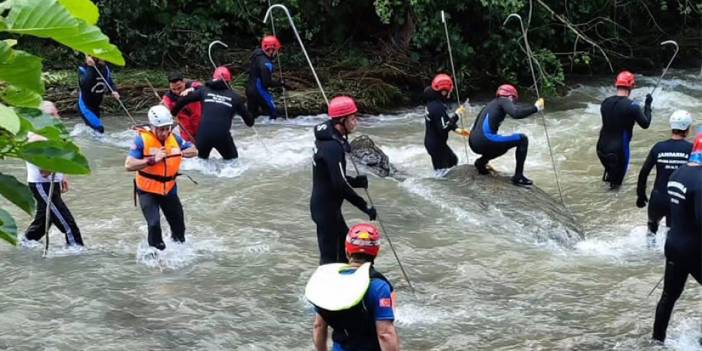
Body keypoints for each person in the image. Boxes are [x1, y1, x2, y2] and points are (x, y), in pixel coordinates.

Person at [308, 223, 400, 351]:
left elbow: (319, 326)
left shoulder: (329, 281)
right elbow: (385, 334)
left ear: (347, 251)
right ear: (376, 252)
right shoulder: (379, 286)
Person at [311, 96, 377, 264]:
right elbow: (339, 185)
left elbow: (334, 177)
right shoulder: (332, 147)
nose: (355, 122)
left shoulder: (329, 139)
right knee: (329, 258)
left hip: (329, 207)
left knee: (345, 248)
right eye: (352, 118)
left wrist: (355, 181)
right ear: (341, 120)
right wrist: (365, 206)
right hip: (326, 210)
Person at [652, 129, 702, 343]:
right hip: (694, 248)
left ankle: (656, 340)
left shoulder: (678, 173)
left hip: (673, 244)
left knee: (668, 296)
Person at [125, 105, 198, 250]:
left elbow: (194, 150)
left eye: (167, 128)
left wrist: (179, 153)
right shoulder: (141, 140)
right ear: (152, 127)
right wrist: (152, 160)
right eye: (161, 129)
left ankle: (179, 253)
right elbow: (128, 164)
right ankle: (156, 256)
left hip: (169, 188)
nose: (165, 133)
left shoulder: (174, 138)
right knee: (154, 224)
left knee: (179, 227)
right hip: (147, 190)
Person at [23, 101, 84, 247]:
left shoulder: (53, 133)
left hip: (51, 183)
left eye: (56, 113)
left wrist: (63, 176)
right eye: (51, 115)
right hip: (42, 186)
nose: (57, 117)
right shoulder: (37, 138)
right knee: (68, 224)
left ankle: (25, 243)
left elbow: (56, 164)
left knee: (44, 222)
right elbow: (44, 171)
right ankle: (77, 251)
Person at [468, 84, 544, 186]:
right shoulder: (504, 100)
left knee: (503, 146)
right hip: (485, 140)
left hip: (473, 142)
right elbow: (516, 113)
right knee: (522, 139)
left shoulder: (490, 104)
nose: (513, 103)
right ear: (510, 96)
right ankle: (518, 176)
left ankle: (481, 162)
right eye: (513, 100)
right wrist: (535, 108)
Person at [171, 66, 253, 160]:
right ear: (229, 81)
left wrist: (173, 113)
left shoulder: (204, 90)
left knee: (200, 163)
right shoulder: (235, 97)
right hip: (222, 136)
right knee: (233, 162)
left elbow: (183, 100)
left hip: (203, 135)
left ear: (213, 78)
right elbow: (249, 122)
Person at [636, 110, 693, 245]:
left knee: (651, 230)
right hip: (678, 199)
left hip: (658, 198)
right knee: (672, 233)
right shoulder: (691, 149)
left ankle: (647, 259)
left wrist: (640, 195)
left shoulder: (658, 147)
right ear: (687, 129)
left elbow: (644, 172)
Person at [597, 70, 652, 189]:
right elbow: (645, 124)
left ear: (616, 84)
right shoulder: (632, 106)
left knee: (609, 181)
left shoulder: (605, 102)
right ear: (632, 86)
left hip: (601, 149)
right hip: (618, 150)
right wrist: (648, 106)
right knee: (616, 188)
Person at [423, 73, 469, 173]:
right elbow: (443, 128)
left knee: (453, 161)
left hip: (435, 142)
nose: (450, 92)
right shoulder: (437, 107)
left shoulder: (432, 102)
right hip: (436, 145)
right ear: (443, 91)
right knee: (443, 174)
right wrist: (457, 115)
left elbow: (443, 120)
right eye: (449, 90)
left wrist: (458, 130)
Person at [246, 35, 289, 121]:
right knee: (274, 115)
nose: (277, 52)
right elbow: (266, 83)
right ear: (271, 49)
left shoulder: (257, 54)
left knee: (251, 117)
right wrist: (281, 83)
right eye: (276, 50)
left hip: (249, 90)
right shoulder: (266, 64)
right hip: (259, 91)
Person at [77, 55, 120, 133]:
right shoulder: (83, 69)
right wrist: (91, 67)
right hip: (85, 106)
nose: (105, 59)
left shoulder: (105, 68)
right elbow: (84, 85)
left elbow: (109, 82)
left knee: (93, 131)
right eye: (102, 57)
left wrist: (114, 91)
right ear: (94, 58)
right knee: (99, 128)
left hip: (96, 106)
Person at [161, 71, 202, 143]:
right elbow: (167, 115)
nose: (177, 91)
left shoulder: (193, 86)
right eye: (173, 89)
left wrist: (192, 90)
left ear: (184, 82)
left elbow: (203, 87)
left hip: (202, 128)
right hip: (186, 132)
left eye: (179, 88)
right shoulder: (168, 98)